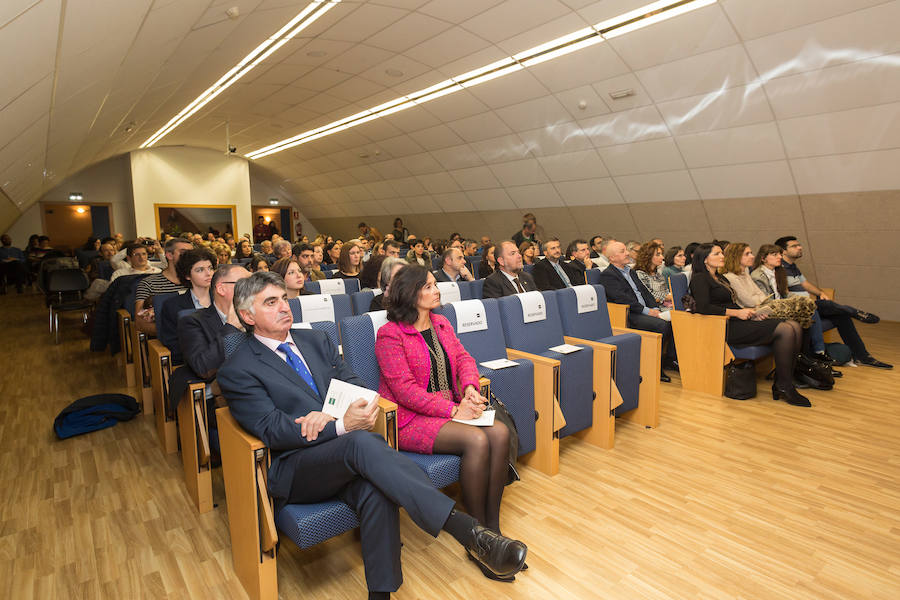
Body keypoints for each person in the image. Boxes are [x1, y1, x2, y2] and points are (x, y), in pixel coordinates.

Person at [217, 272, 528, 597]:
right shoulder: (238, 369)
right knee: (361, 442)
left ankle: (381, 594)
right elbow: (271, 428)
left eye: (284, 298)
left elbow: (359, 387)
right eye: (271, 302)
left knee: (375, 488)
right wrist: (338, 424)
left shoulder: (315, 341)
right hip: (296, 467)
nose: (284, 306)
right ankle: (465, 529)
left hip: (349, 454)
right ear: (247, 315)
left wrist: (332, 414)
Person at [375, 267, 518, 558]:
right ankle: (475, 537)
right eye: (428, 286)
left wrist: (469, 388)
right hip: (409, 419)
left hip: (452, 408)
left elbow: (464, 358)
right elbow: (405, 391)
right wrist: (455, 410)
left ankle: (493, 529)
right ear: (410, 293)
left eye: (434, 284)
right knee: (477, 440)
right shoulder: (389, 335)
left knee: (500, 433)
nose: (436, 290)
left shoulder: (441, 324)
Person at [689, 243, 811, 406]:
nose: (722, 256)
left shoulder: (720, 277)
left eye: (722, 253)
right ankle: (784, 385)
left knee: (794, 325)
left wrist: (751, 314)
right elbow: (704, 308)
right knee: (785, 330)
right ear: (705, 259)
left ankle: (784, 381)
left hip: (737, 320)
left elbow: (732, 303)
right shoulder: (699, 279)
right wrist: (737, 313)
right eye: (717, 254)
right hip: (723, 326)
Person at [776, 236, 890, 368]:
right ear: (783, 251)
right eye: (794, 246)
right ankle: (854, 312)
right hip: (799, 310)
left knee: (841, 316)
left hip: (809, 306)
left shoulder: (792, 266)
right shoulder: (779, 268)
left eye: (799, 245)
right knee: (826, 305)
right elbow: (784, 296)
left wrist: (820, 293)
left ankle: (862, 357)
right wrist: (808, 300)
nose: (800, 247)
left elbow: (805, 284)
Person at [598, 241, 675, 382]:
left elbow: (645, 293)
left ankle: (666, 360)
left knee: (674, 321)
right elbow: (622, 299)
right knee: (661, 325)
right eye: (622, 251)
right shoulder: (608, 275)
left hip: (643, 310)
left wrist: (655, 308)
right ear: (612, 258)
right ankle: (656, 367)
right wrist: (648, 311)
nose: (627, 253)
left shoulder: (629, 271)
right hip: (629, 313)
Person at [157, 248, 216, 364]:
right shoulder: (172, 306)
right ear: (188, 275)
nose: (208, 273)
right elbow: (173, 345)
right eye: (200, 270)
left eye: (210, 268)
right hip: (193, 361)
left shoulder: (224, 299)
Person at [134, 238, 194, 335]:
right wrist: (177, 333)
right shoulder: (149, 284)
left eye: (192, 254)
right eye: (184, 253)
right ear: (169, 255)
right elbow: (140, 323)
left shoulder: (196, 281)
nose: (190, 257)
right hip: (167, 342)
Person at [634, 241, 672, 308]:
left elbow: (665, 291)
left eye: (661, 254)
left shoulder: (658, 274)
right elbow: (649, 296)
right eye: (658, 255)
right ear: (648, 257)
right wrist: (670, 297)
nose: (662, 257)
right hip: (654, 309)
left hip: (666, 306)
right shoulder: (640, 274)